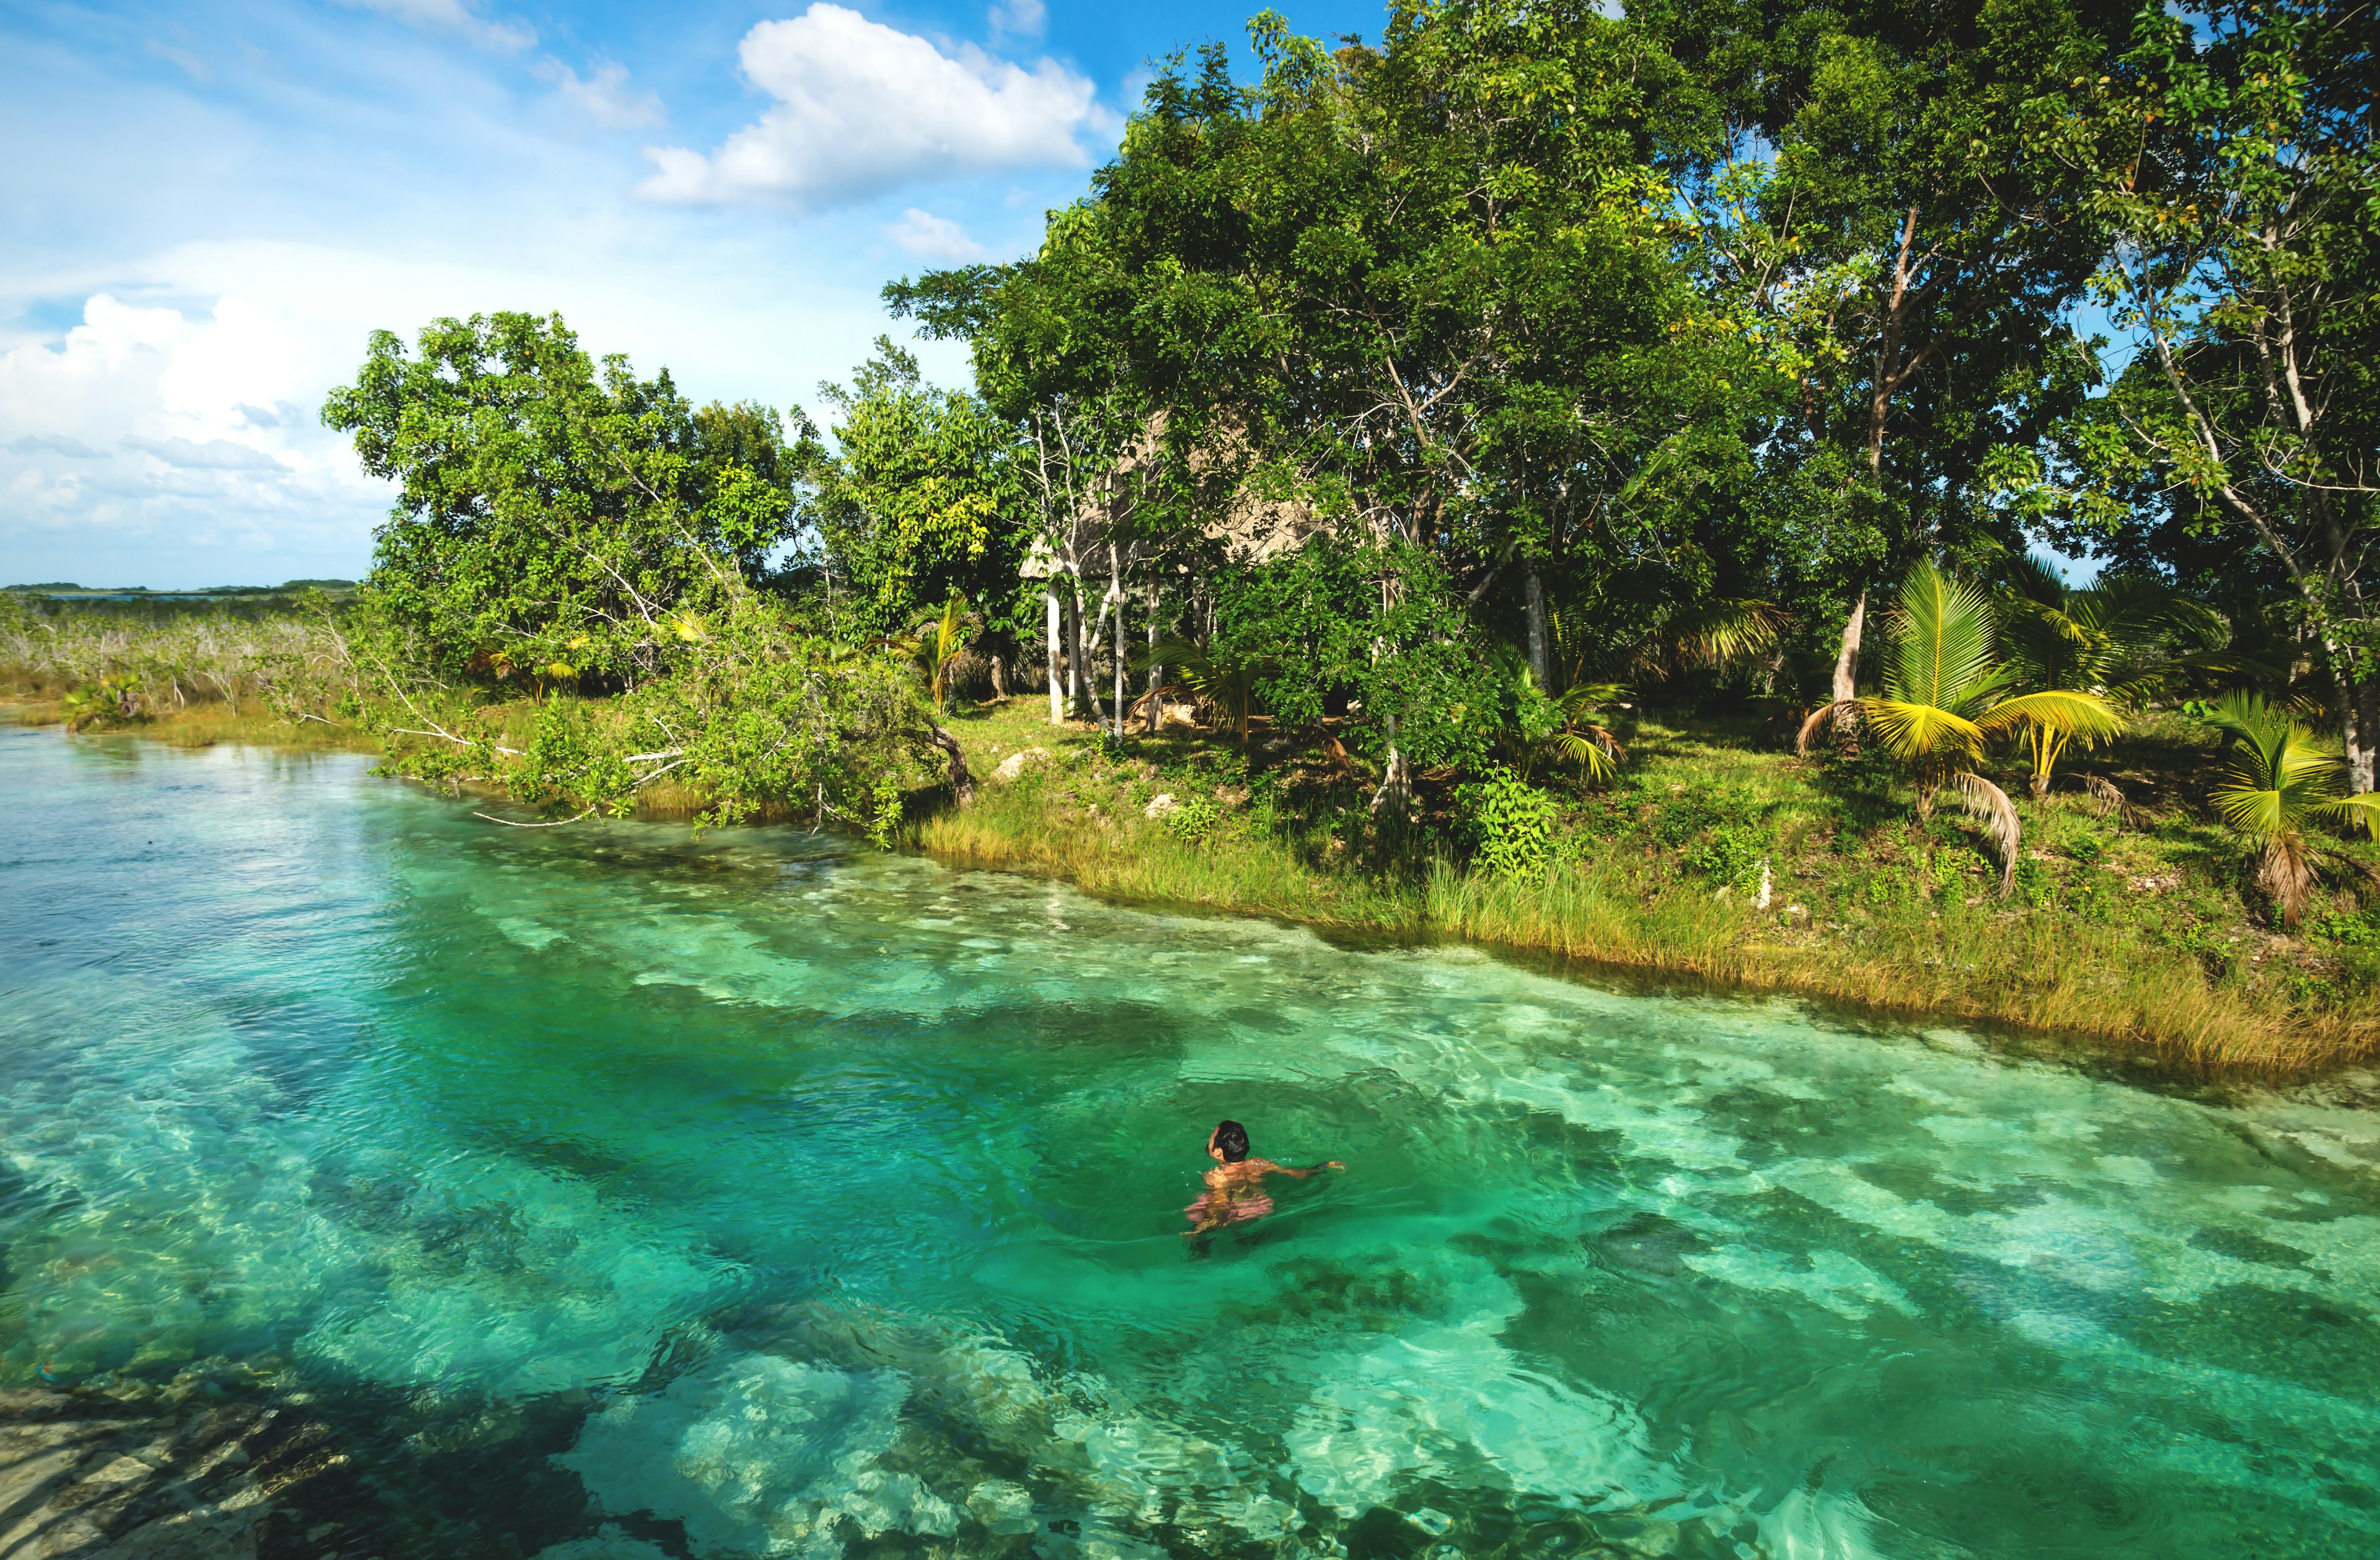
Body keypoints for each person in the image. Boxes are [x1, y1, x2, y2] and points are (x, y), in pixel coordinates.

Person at [1183, 1119, 1343, 1235]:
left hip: (1236, 1214)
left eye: (1211, 1140)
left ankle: (1200, 1251)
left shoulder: (1216, 1175)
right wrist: (1323, 1166)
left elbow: (1220, 1203)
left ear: (1218, 1152)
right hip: (1261, 1207)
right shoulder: (1259, 1164)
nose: (1209, 1141)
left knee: (1194, 1215)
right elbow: (1297, 1174)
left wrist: (1203, 1228)